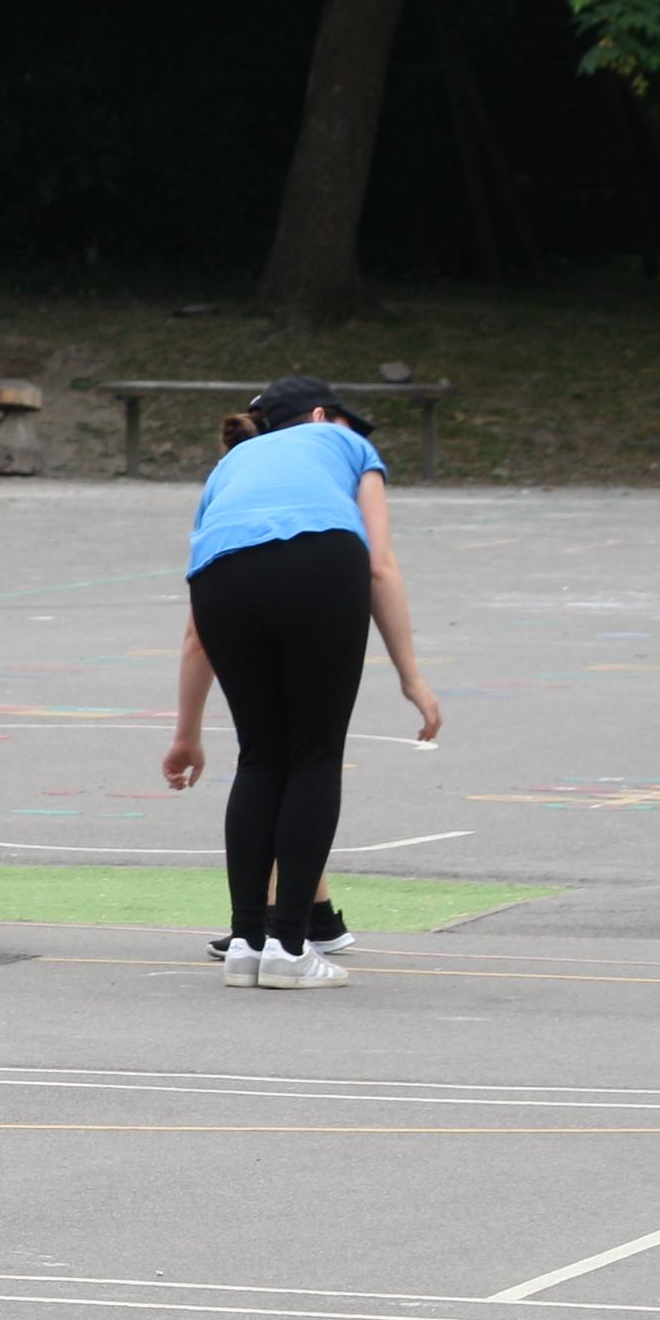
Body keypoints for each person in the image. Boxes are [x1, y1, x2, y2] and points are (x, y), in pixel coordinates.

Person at [162, 376, 444, 990]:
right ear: (321, 415)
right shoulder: (346, 445)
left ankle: (246, 943)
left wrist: (186, 735)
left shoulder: (228, 468)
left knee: (260, 758)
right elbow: (379, 565)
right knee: (315, 758)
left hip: (223, 583)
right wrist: (412, 678)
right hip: (320, 563)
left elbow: (195, 636)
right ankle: (291, 947)